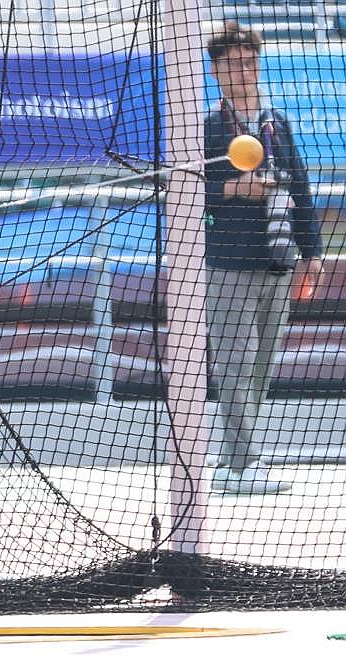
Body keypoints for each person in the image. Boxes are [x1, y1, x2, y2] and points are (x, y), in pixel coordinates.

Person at [204, 22, 323, 495]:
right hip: (228, 261)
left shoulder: (276, 121)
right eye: (234, 63)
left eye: (251, 61)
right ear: (215, 71)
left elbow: (300, 186)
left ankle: (232, 462)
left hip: (278, 256)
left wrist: (312, 252)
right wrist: (236, 188)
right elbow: (178, 188)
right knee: (235, 361)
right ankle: (243, 464)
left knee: (262, 364)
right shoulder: (208, 126)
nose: (244, 70)